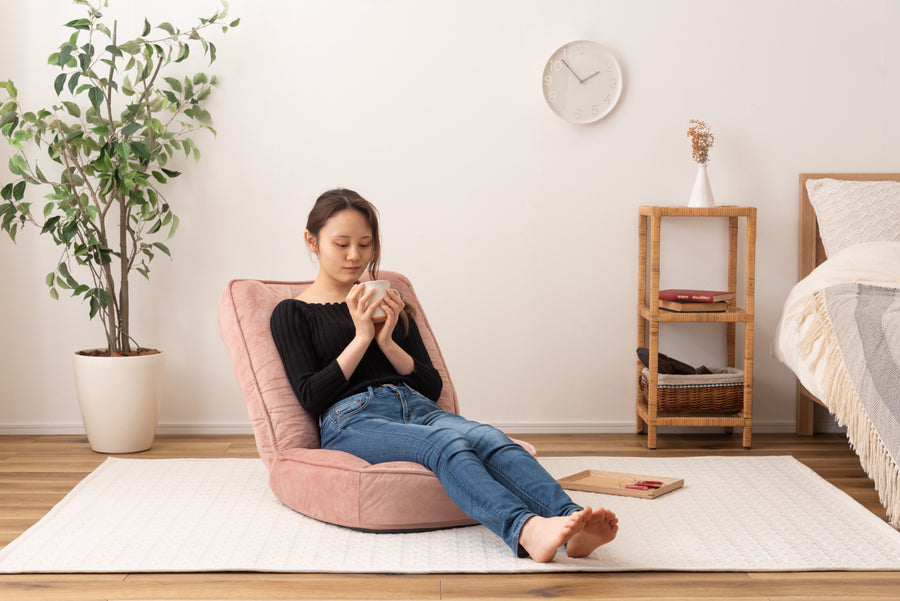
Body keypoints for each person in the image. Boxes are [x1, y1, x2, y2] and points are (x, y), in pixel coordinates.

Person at [270, 188, 618, 562]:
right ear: (312, 241)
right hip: (352, 420)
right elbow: (311, 395)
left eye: (365, 244)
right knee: (446, 445)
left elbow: (431, 386)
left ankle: (572, 522)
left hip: (417, 406)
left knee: (489, 437)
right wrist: (361, 338)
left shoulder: (390, 299)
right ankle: (526, 529)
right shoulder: (292, 312)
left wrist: (387, 341)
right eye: (342, 244)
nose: (355, 256)